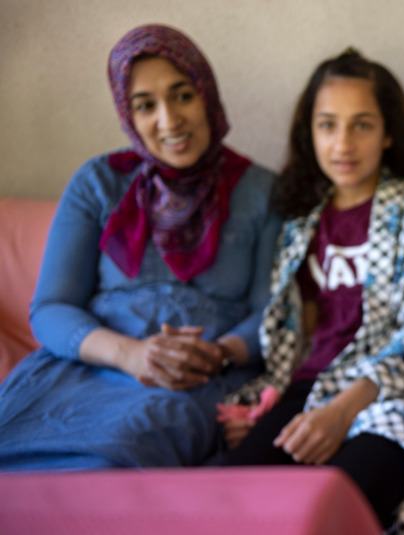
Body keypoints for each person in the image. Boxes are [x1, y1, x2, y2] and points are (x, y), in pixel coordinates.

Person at [0, 24, 281, 469]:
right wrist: (132, 355)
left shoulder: (263, 191)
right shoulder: (97, 183)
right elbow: (50, 308)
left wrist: (218, 353)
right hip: (87, 368)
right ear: (127, 115)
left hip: (197, 378)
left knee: (107, 465)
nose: (169, 120)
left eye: (183, 95)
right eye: (145, 105)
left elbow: (273, 312)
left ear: (207, 95)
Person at [219, 49, 404, 534]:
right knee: (232, 493)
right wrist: (264, 399)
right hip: (314, 386)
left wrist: (341, 412)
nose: (343, 143)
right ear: (309, 134)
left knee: (339, 500)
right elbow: (296, 338)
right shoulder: (299, 225)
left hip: (400, 391)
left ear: (388, 132)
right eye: (328, 125)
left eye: (362, 125)